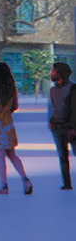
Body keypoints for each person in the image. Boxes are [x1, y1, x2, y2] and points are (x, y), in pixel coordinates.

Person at [0, 60, 32, 195]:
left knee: (0, 155)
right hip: (8, 124)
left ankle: (4, 186)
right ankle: (25, 179)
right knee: (12, 154)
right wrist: (6, 112)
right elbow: (15, 107)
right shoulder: (13, 90)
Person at [49, 61, 74, 189]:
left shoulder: (73, 88)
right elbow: (54, 109)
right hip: (57, 129)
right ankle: (67, 184)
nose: (51, 74)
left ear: (59, 73)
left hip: (71, 129)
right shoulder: (52, 90)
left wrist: (74, 128)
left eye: (53, 71)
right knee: (63, 157)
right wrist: (51, 121)